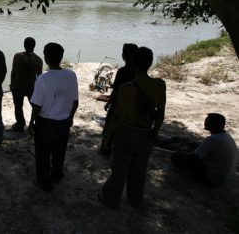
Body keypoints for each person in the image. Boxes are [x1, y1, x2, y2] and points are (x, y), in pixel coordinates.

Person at [100, 47, 166, 209]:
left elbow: (116, 117)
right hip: (145, 133)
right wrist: (154, 133)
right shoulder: (159, 85)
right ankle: (135, 199)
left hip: (126, 132)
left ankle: (111, 199)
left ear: (133, 63)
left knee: (119, 170)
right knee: (139, 171)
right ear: (150, 63)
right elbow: (160, 114)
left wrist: (107, 138)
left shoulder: (127, 88)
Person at [29, 42, 79, 192]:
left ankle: (44, 182)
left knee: (42, 154)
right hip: (63, 122)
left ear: (45, 57)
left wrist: (31, 122)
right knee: (59, 151)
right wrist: (70, 117)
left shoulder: (43, 79)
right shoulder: (71, 75)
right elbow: (75, 102)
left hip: (45, 123)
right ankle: (57, 175)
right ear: (61, 57)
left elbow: (37, 105)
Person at [171, 113, 238, 186]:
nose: (205, 122)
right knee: (192, 150)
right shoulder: (226, 136)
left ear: (212, 125)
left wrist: (182, 152)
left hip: (213, 178)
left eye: (207, 121)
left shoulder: (212, 139)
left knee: (176, 157)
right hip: (223, 176)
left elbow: (193, 159)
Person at [100, 43, 138, 156]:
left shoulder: (122, 71)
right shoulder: (138, 71)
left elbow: (116, 90)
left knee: (110, 125)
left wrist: (109, 103)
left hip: (118, 103)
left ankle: (106, 147)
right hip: (133, 105)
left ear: (123, 56)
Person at [10, 37, 43, 132]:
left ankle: (20, 125)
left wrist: (12, 84)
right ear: (34, 46)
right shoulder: (38, 60)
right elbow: (39, 76)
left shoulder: (17, 56)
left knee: (18, 106)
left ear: (24, 45)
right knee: (35, 106)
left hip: (18, 86)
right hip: (31, 87)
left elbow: (13, 71)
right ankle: (37, 123)